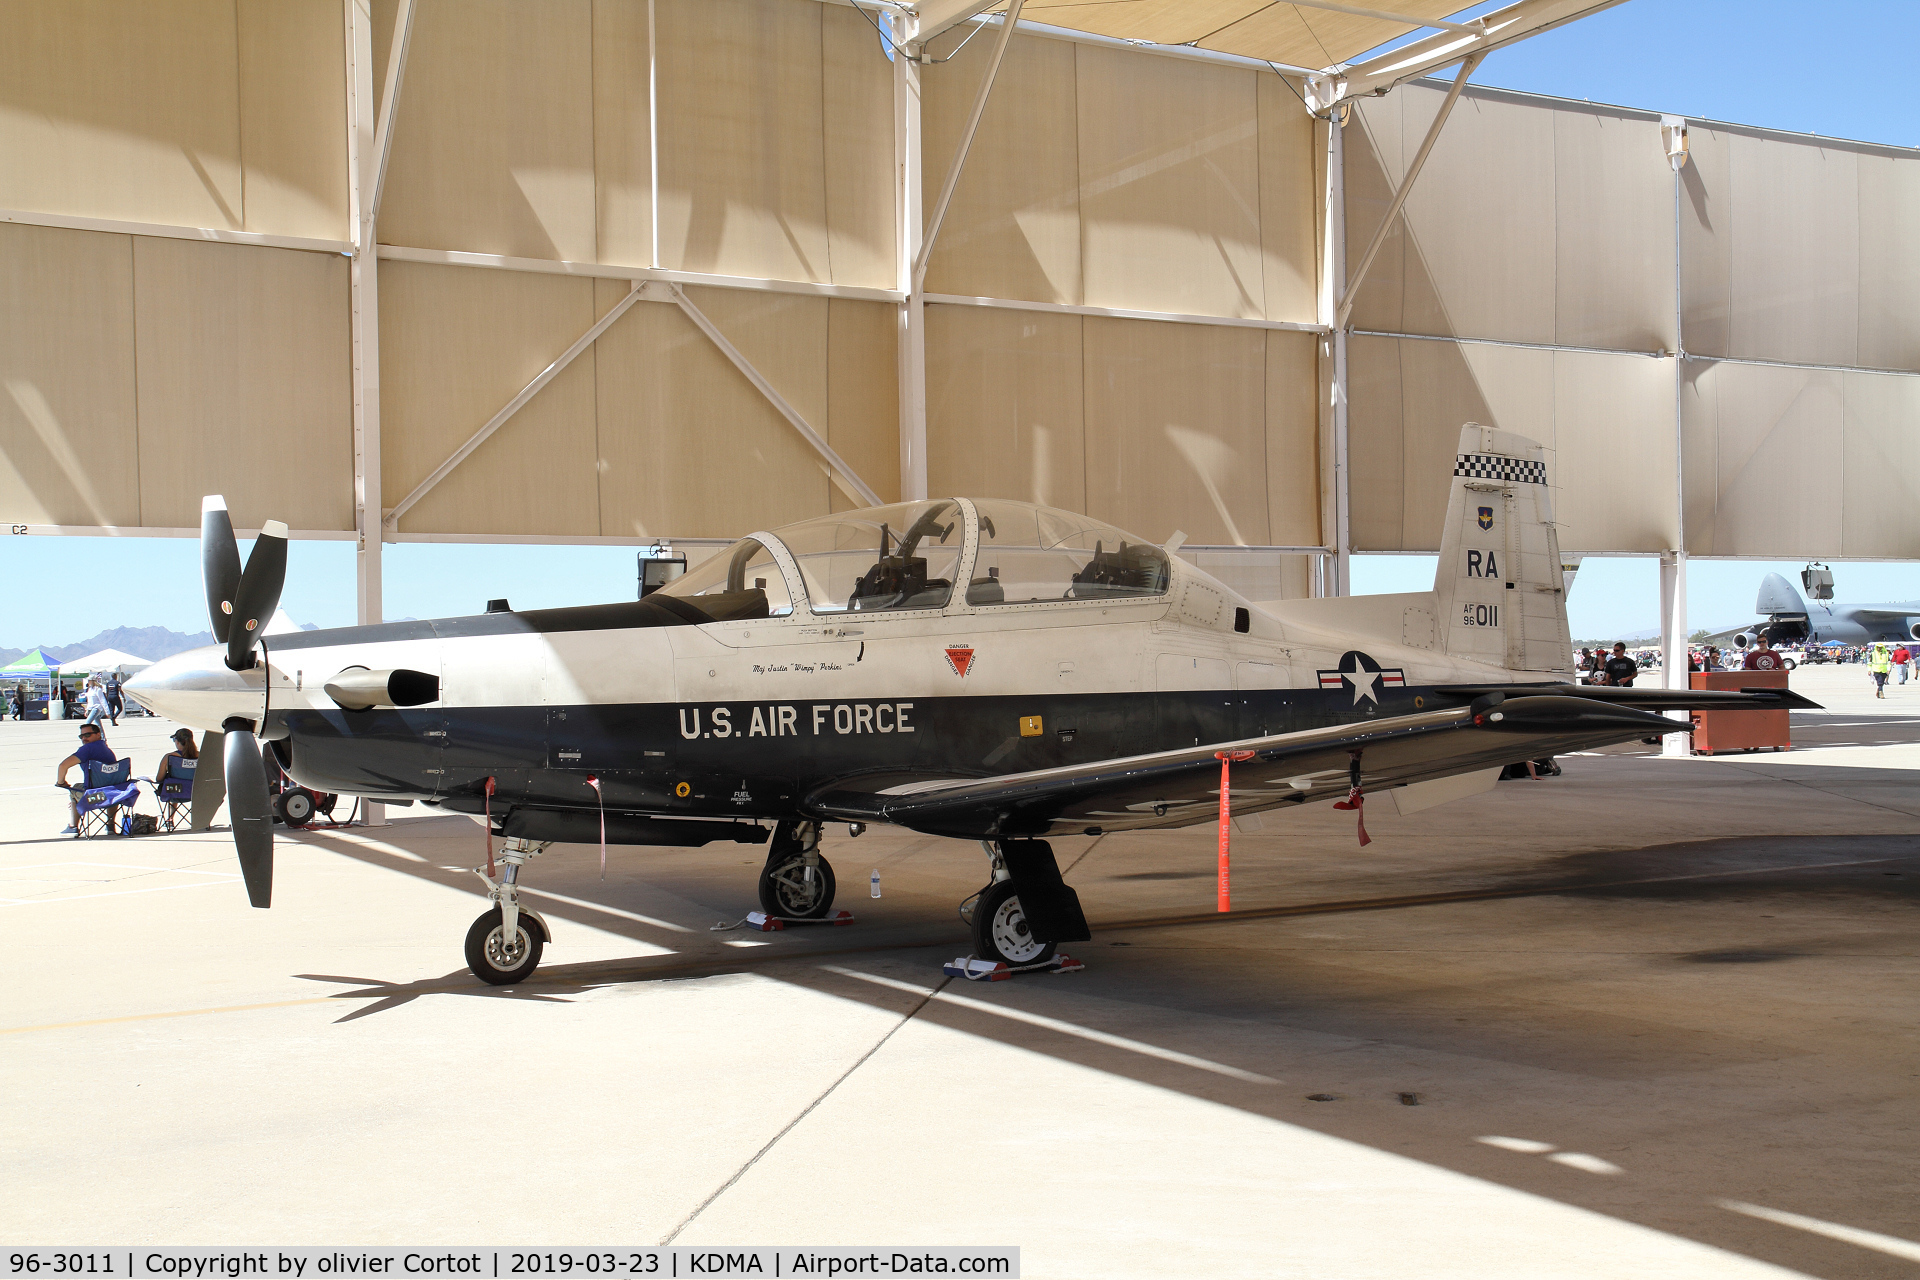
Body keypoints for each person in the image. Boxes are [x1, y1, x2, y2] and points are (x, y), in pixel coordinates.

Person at [54, 722, 118, 834]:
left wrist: (61, 782)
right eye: (81, 736)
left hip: (95, 796)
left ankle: (73, 827)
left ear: (98, 734)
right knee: (108, 785)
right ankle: (110, 825)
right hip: (113, 795)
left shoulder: (87, 749)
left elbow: (63, 766)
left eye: (88, 735)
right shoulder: (106, 749)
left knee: (74, 789)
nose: (84, 738)